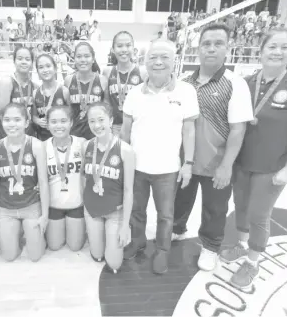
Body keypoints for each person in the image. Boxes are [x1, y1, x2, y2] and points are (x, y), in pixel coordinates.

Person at [220, 30, 287, 289]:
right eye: (272, 46)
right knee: (239, 208)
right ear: (260, 51)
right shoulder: (247, 82)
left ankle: (253, 263)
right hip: (242, 162)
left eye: (284, 47)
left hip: (272, 166)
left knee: (258, 214)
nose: (277, 51)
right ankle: (242, 246)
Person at [172, 24, 254, 272]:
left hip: (217, 163)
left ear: (227, 49)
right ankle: (177, 229)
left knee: (215, 209)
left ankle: (210, 247)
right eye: (206, 43)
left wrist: (226, 165)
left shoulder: (235, 83)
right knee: (179, 201)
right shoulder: (184, 83)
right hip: (186, 161)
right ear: (198, 48)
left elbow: (239, 129)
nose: (211, 48)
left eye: (218, 43)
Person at [121, 41, 199, 275]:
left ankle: (163, 250)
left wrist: (188, 163)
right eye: (152, 57)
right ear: (144, 62)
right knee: (137, 210)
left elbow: (189, 131)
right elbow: (125, 131)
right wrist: (124, 162)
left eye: (164, 57)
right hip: (137, 167)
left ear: (174, 60)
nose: (158, 62)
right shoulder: (134, 93)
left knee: (166, 214)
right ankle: (138, 241)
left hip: (168, 169)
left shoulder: (186, 91)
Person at [0, 103, 49, 262]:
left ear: (26, 122)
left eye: (17, 119)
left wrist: (45, 215)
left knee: (35, 256)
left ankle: (32, 233)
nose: (12, 124)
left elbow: (43, 182)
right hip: (6, 209)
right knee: (9, 256)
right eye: (7, 120)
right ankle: (16, 231)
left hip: (31, 207)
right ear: (2, 122)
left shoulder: (36, 145)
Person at [82, 102, 135, 273]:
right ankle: (99, 236)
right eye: (92, 121)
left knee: (114, 264)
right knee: (97, 255)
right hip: (92, 209)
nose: (97, 125)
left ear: (111, 120)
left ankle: (114, 234)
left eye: (101, 120)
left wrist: (125, 225)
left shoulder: (125, 150)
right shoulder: (86, 146)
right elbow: (84, 178)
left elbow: (128, 191)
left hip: (115, 211)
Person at [45, 105, 86, 251]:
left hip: (76, 205)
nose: (59, 126)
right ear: (48, 124)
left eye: (63, 121)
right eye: (54, 122)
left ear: (71, 122)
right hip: (53, 206)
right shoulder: (42, 147)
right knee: (54, 246)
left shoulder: (82, 144)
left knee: (75, 247)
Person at [103, 31, 145, 135]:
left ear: (134, 49)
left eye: (128, 45)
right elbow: (106, 101)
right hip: (115, 126)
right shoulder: (107, 72)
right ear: (113, 49)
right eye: (119, 46)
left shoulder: (143, 72)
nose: (124, 50)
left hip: (136, 126)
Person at [64, 42, 108, 140]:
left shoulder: (102, 80)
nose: (83, 60)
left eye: (87, 56)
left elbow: (106, 111)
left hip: (96, 133)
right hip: (74, 134)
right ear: (74, 59)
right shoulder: (68, 80)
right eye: (79, 56)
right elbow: (67, 109)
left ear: (93, 59)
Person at [0, 47, 38, 139]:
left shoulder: (35, 86)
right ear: (14, 61)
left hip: (29, 134)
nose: (23, 62)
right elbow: (2, 114)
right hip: (9, 134)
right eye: (20, 59)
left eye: (27, 59)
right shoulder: (7, 82)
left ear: (32, 63)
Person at [32, 54, 71, 141]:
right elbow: (33, 116)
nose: (45, 70)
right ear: (37, 71)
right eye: (41, 67)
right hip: (43, 140)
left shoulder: (64, 91)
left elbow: (71, 116)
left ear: (55, 68)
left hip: (62, 139)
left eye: (48, 66)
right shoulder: (35, 93)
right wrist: (38, 121)